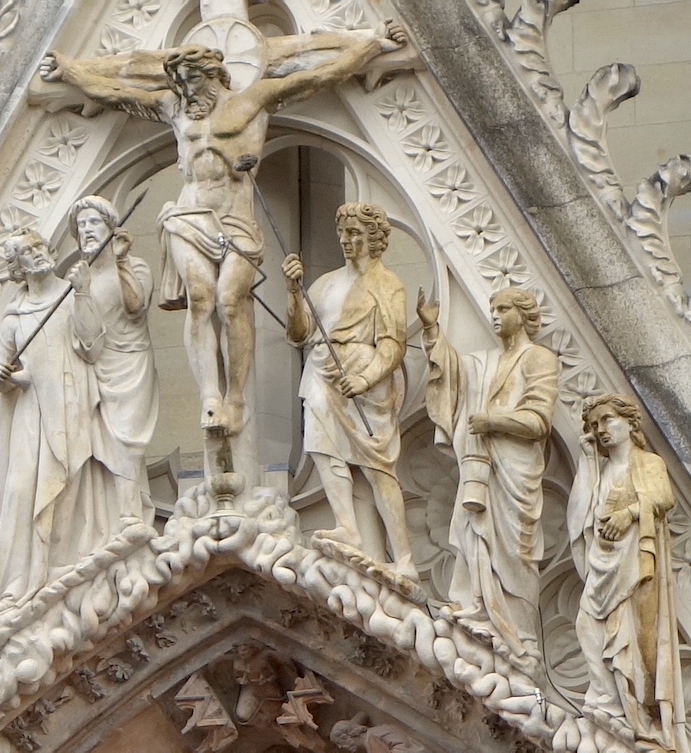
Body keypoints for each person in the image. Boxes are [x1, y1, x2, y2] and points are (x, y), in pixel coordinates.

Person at [40, 22, 407, 438]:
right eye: (179, 81)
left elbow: (318, 75)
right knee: (201, 299)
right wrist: (71, 71)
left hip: (237, 220)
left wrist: (371, 46)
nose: (187, 89)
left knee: (231, 301)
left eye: (193, 79)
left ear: (215, 75)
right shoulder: (173, 107)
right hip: (189, 216)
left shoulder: (256, 99)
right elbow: (119, 93)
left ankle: (235, 396)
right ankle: (211, 396)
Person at [417, 286, 558, 679]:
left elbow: (539, 419)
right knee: (474, 534)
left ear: (524, 313)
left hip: (515, 469)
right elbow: (454, 377)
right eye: (492, 308)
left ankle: (519, 635)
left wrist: (495, 421)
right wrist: (431, 332)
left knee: (517, 547)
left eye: (503, 308)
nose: (494, 315)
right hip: (480, 469)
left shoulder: (539, 358)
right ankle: (478, 608)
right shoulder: (485, 362)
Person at [282, 203, 416, 581]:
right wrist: (293, 291)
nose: (346, 240)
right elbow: (298, 334)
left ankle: (404, 557)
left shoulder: (388, 285)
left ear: (374, 238)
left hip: (364, 379)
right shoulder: (324, 283)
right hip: (323, 370)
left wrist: (367, 378)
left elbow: (393, 343)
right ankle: (347, 525)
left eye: (355, 233)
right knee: (322, 446)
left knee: (378, 466)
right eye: (343, 233)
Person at [568, 394, 688, 752]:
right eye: (594, 426)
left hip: (635, 565)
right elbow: (580, 515)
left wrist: (630, 513)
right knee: (587, 625)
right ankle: (607, 699)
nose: (601, 430)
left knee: (630, 637)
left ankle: (634, 712)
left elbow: (662, 497)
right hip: (604, 564)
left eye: (608, 420)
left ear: (631, 423)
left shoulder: (647, 461)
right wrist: (588, 459)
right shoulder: (601, 470)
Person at [0, 229, 98, 611]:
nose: (37, 254)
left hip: (71, 402)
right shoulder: (14, 318)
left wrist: (83, 292)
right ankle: (24, 578)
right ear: (17, 268)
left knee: (68, 481)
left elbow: (92, 343)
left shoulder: (70, 296)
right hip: (33, 413)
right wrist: (5, 378)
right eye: (26, 252)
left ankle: (61, 567)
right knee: (22, 490)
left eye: (39, 246)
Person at [67, 196, 160, 520]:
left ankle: (130, 515)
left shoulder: (135, 268)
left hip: (130, 364)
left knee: (126, 441)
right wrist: (80, 292)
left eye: (94, 223)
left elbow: (136, 306)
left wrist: (120, 263)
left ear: (111, 228)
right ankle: (113, 517)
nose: (87, 230)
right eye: (81, 226)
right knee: (99, 446)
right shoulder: (81, 278)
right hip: (96, 369)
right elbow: (86, 337)